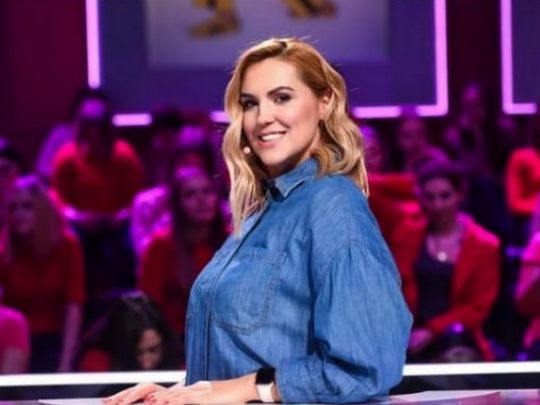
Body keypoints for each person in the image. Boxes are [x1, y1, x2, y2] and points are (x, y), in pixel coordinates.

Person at [105, 37, 411, 405]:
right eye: (250, 103)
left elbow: (365, 367)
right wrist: (181, 393)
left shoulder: (334, 207)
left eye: (281, 97)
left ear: (325, 102)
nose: (262, 117)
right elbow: (249, 356)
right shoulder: (266, 209)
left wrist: (250, 387)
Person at [390, 161, 500, 362]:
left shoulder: (485, 245)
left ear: (460, 195)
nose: (437, 205)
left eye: (445, 196)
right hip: (408, 336)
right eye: (430, 197)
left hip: (457, 339)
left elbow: (477, 308)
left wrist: (432, 330)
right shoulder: (406, 235)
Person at [138, 164, 228, 363]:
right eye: (190, 194)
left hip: (225, 342)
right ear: (178, 205)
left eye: (207, 191)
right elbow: (148, 310)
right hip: (174, 346)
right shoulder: (161, 246)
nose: (201, 200)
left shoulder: (234, 241)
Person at [0, 176, 85, 372]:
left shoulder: (67, 246)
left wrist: (65, 363)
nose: (19, 214)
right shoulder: (5, 251)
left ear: (42, 210)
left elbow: (73, 305)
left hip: (55, 342)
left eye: (27, 207)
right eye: (13, 208)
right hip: (15, 342)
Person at [77, 292, 178, 371]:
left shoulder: (178, 366)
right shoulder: (96, 363)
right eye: (137, 352)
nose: (146, 364)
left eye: (153, 350)